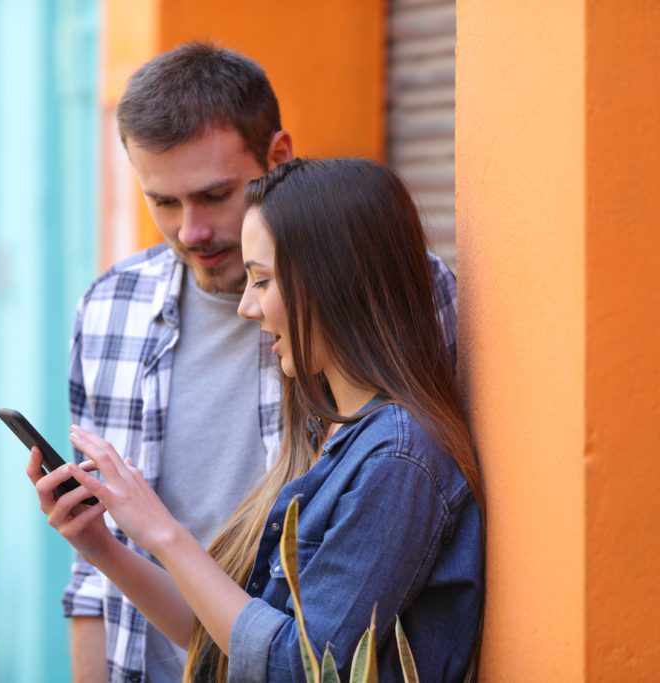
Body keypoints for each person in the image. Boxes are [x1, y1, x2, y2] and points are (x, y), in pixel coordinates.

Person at [60, 43, 460, 682]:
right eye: (162, 202)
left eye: (214, 195)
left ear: (277, 160)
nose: (190, 231)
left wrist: (156, 531)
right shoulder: (109, 308)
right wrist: (104, 544)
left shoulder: (396, 425)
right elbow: (234, 636)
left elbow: (298, 663)